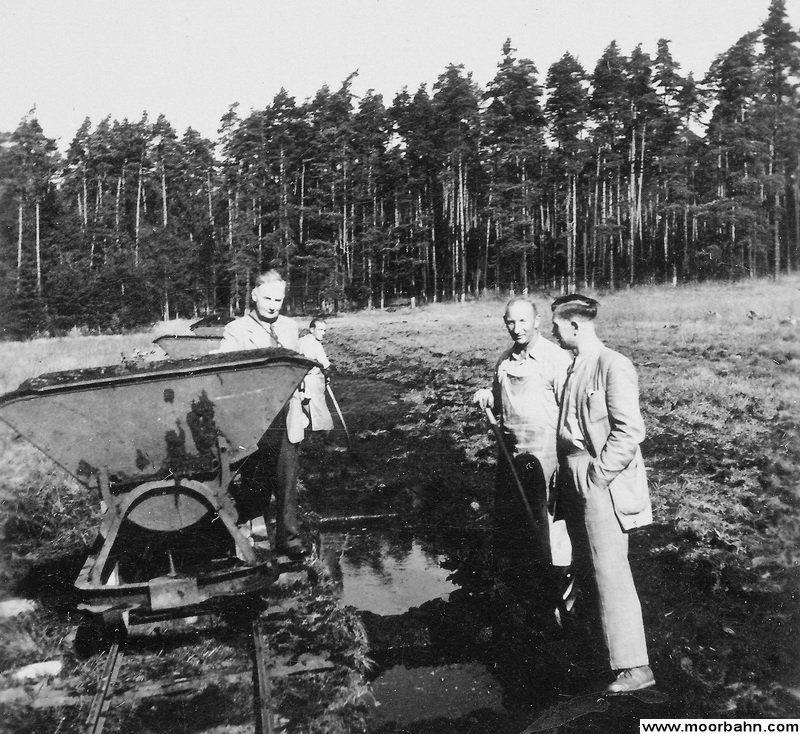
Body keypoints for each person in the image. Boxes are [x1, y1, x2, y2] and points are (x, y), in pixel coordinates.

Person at [550, 293, 655, 693]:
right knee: (584, 565)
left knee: (610, 571)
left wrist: (597, 476)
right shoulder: (574, 366)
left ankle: (636, 668)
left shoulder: (613, 365)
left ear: (575, 326)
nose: (554, 333)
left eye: (557, 326)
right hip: (571, 472)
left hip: (599, 480)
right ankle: (597, 650)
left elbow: (629, 431)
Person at [473, 297, 573, 618]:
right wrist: (488, 396)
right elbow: (501, 406)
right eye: (510, 322)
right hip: (514, 457)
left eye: (522, 322)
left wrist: (566, 461)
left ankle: (564, 598)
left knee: (553, 527)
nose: (516, 329)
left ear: (537, 321)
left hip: (549, 458)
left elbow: (571, 414)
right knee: (520, 526)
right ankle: (531, 599)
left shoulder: (555, 359)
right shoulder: (504, 361)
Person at [218, 269, 307, 558]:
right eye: (267, 298)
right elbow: (225, 375)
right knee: (256, 480)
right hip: (253, 420)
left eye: (279, 300)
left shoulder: (291, 328)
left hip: (286, 416)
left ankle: (289, 542)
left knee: (287, 481)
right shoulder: (236, 330)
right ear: (254, 295)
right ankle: (254, 542)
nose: (273, 304)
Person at [298, 318, 334, 432]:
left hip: (301, 383)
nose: (323, 333)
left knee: (306, 413)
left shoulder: (300, 341)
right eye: (320, 330)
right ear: (312, 329)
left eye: (324, 330)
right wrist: (327, 374)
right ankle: (328, 444)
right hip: (313, 382)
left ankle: (307, 441)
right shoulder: (315, 344)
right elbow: (326, 366)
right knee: (322, 414)